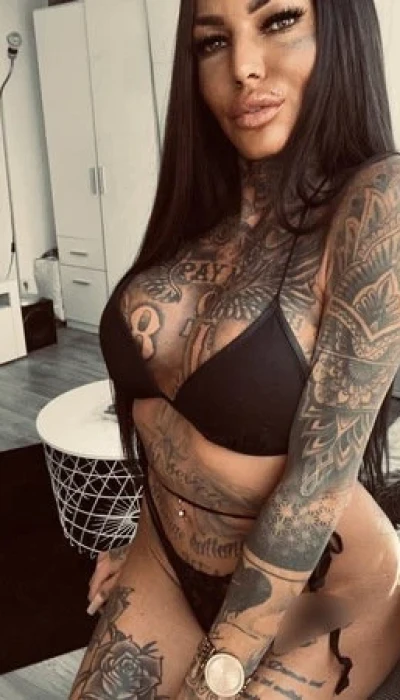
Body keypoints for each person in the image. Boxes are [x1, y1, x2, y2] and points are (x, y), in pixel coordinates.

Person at [69, 0, 400, 698]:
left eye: (278, 21)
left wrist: (212, 677)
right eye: (212, 42)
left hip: (319, 595)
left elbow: (313, 487)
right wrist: (146, 531)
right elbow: (166, 427)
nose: (243, 67)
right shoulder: (199, 216)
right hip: (166, 562)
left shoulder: (379, 202)